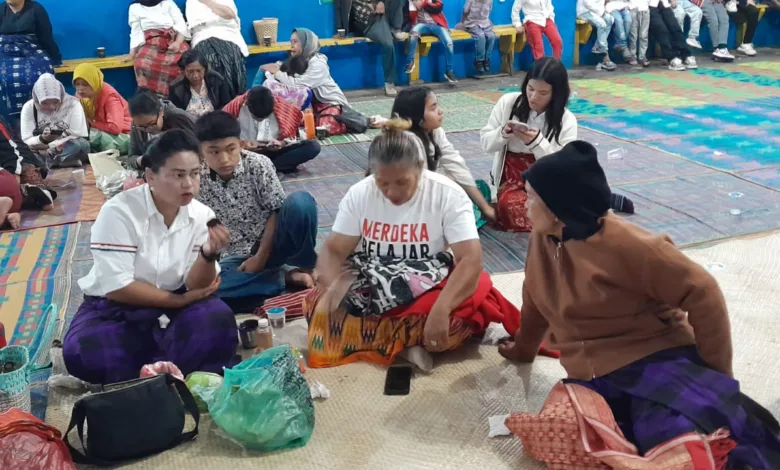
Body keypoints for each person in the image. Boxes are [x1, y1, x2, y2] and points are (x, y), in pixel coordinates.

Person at [499, 140, 780, 469]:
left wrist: (717, 377)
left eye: (531, 197)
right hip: (591, 379)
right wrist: (523, 350)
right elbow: (535, 300)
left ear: (559, 208)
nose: (524, 203)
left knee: (679, 438)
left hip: (652, 360)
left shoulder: (628, 244)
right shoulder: (541, 240)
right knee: (559, 433)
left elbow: (703, 292)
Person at [304, 119, 528, 370]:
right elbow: (335, 250)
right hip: (374, 278)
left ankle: (385, 342)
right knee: (316, 304)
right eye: (383, 183)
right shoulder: (360, 194)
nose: (391, 192)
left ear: (420, 168)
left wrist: (441, 310)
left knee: (453, 320)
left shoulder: (448, 194)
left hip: (427, 280)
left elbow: (470, 260)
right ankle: (405, 345)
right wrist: (330, 280)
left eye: (402, 182)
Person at [62, 129, 239, 385]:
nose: (189, 184)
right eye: (178, 175)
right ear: (150, 176)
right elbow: (118, 287)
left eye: (195, 174)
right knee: (84, 350)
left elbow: (196, 286)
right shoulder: (119, 212)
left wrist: (208, 254)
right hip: (117, 308)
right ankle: (170, 369)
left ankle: (148, 373)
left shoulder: (202, 215)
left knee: (218, 319)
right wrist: (176, 301)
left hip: (179, 302)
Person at [480, 58, 634, 232]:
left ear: (556, 93)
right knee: (513, 208)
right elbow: (486, 144)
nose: (533, 97)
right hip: (511, 179)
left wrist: (537, 143)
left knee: (553, 210)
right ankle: (590, 200)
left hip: (548, 181)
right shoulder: (508, 103)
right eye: (530, 89)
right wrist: (503, 133)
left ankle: (594, 199)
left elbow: (563, 167)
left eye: (543, 93)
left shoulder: (566, 120)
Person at [194, 111, 318, 312]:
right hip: (234, 258)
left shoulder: (258, 164)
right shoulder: (196, 178)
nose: (224, 159)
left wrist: (260, 257)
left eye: (230, 149)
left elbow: (275, 211)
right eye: (214, 152)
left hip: (273, 245)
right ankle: (285, 277)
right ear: (201, 152)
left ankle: (303, 267)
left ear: (241, 144)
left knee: (301, 203)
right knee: (206, 287)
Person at [391, 86, 494, 226]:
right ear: (418, 117)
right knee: (457, 199)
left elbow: (456, 166)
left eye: (437, 105)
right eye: (433, 108)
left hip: (426, 194)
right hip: (404, 203)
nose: (440, 111)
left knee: (474, 189)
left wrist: (485, 208)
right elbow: (418, 187)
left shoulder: (435, 132)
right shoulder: (405, 142)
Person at [258, 28, 351, 136]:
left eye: (296, 42)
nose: (292, 45)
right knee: (294, 119)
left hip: (329, 103)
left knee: (325, 125)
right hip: (312, 105)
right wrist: (275, 68)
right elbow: (286, 72)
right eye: (291, 42)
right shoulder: (300, 59)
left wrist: (278, 72)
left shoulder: (318, 64)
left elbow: (298, 85)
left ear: (307, 44)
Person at [222, 86, 320, 173]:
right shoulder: (234, 107)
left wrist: (281, 143)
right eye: (257, 117)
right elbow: (221, 137)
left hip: (272, 153)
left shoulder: (282, 106)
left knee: (313, 147)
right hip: (245, 153)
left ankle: (266, 168)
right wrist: (242, 145)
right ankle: (269, 168)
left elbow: (291, 136)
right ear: (246, 103)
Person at [0, 0, 61, 120]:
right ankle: (8, 122)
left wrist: (55, 58)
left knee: (37, 75)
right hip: (5, 53)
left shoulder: (36, 9)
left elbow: (46, 37)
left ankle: (37, 117)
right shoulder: (1, 10)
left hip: (31, 52)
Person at [334, 0, 405, 96]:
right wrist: (339, 29)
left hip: (380, 15)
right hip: (367, 23)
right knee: (388, 45)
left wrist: (381, 2)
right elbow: (338, 8)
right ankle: (389, 82)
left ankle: (395, 28)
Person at [20, 74, 90, 169]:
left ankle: (49, 163)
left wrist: (50, 146)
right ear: (37, 99)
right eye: (45, 103)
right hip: (41, 147)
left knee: (80, 144)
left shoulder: (73, 104)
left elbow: (77, 134)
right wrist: (42, 139)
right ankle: (60, 162)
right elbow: (27, 139)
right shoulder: (29, 107)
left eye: (56, 102)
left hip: (65, 147)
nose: (51, 107)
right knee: (25, 150)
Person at [186, 0, 249, 99]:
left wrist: (207, 2)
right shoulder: (191, 2)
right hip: (202, 35)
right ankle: (214, 99)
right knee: (207, 58)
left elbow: (229, 14)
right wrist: (216, 15)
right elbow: (195, 23)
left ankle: (236, 98)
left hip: (226, 32)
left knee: (230, 55)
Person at [129, 0, 191, 97]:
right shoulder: (134, 8)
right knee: (141, 64)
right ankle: (151, 99)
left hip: (173, 39)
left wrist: (177, 43)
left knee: (184, 61)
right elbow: (136, 31)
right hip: (150, 41)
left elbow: (181, 24)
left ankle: (179, 97)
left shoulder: (168, 3)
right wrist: (133, 51)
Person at [72, 63, 133, 154]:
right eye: (77, 84)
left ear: (94, 82)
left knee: (94, 137)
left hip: (125, 134)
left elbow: (115, 128)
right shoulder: (80, 96)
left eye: (85, 84)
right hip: (102, 130)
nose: (80, 88)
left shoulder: (109, 96)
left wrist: (92, 123)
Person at [128, 88, 195, 168]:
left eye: (151, 124)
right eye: (142, 127)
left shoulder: (179, 118)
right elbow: (132, 155)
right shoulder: (137, 124)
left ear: (161, 112)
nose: (147, 129)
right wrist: (142, 160)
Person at [405, 0, 457, 84]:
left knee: (449, 43)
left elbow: (438, 8)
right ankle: (410, 62)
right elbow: (411, 17)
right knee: (413, 34)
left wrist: (423, 3)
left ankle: (449, 71)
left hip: (437, 25)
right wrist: (414, 5)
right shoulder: (412, 1)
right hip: (422, 25)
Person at [168, 50, 231, 117]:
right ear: (183, 71)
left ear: (205, 69)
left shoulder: (217, 80)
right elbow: (175, 114)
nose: (195, 75)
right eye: (190, 71)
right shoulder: (176, 89)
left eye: (199, 71)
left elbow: (226, 106)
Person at [649, 0, 697, 71]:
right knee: (662, 30)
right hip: (648, 6)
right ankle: (671, 58)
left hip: (664, 4)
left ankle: (686, 55)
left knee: (675, 27)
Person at [576, 0, 618, 71]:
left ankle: (598, 48)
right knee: (602, 24)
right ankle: (605, 57)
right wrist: (602, 13)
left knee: (609, 20)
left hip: (596, 11)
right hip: (585, 11)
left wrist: (603, 12)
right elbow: (588, 3)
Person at [462, 0, 497, 74]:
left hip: (485, 23)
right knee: (481, 36)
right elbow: (465, 12)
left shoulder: (490, 1)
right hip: (472, 23)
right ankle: (479, 61)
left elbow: (489, 10)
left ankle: (486, 59)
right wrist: (462, 23)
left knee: (491, 36)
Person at [629, 0, 651, 66]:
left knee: (644, 35)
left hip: (645, 9)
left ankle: (642, 56)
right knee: (633, 35)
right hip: (633, 9)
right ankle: (632, 56)